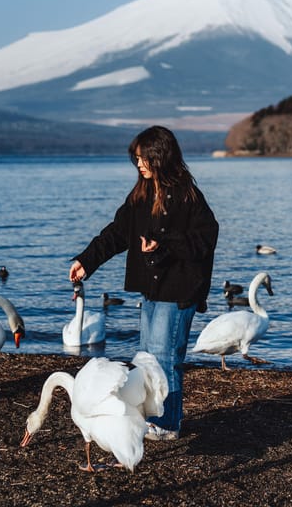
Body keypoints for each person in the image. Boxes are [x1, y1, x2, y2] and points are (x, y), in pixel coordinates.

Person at [69, 125, 219, 441]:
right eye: (136, 158)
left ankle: (167, 424)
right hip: (152, 289)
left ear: (159, 157)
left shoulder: (186, 195)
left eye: (143, 158)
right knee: (147, 358)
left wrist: (164, 243)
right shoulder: (140, 194)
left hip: (179, 289)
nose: (138, 164)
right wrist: (86, 261)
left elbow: (206, 237)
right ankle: (152, 418)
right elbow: (116, 233)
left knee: (166, 360)